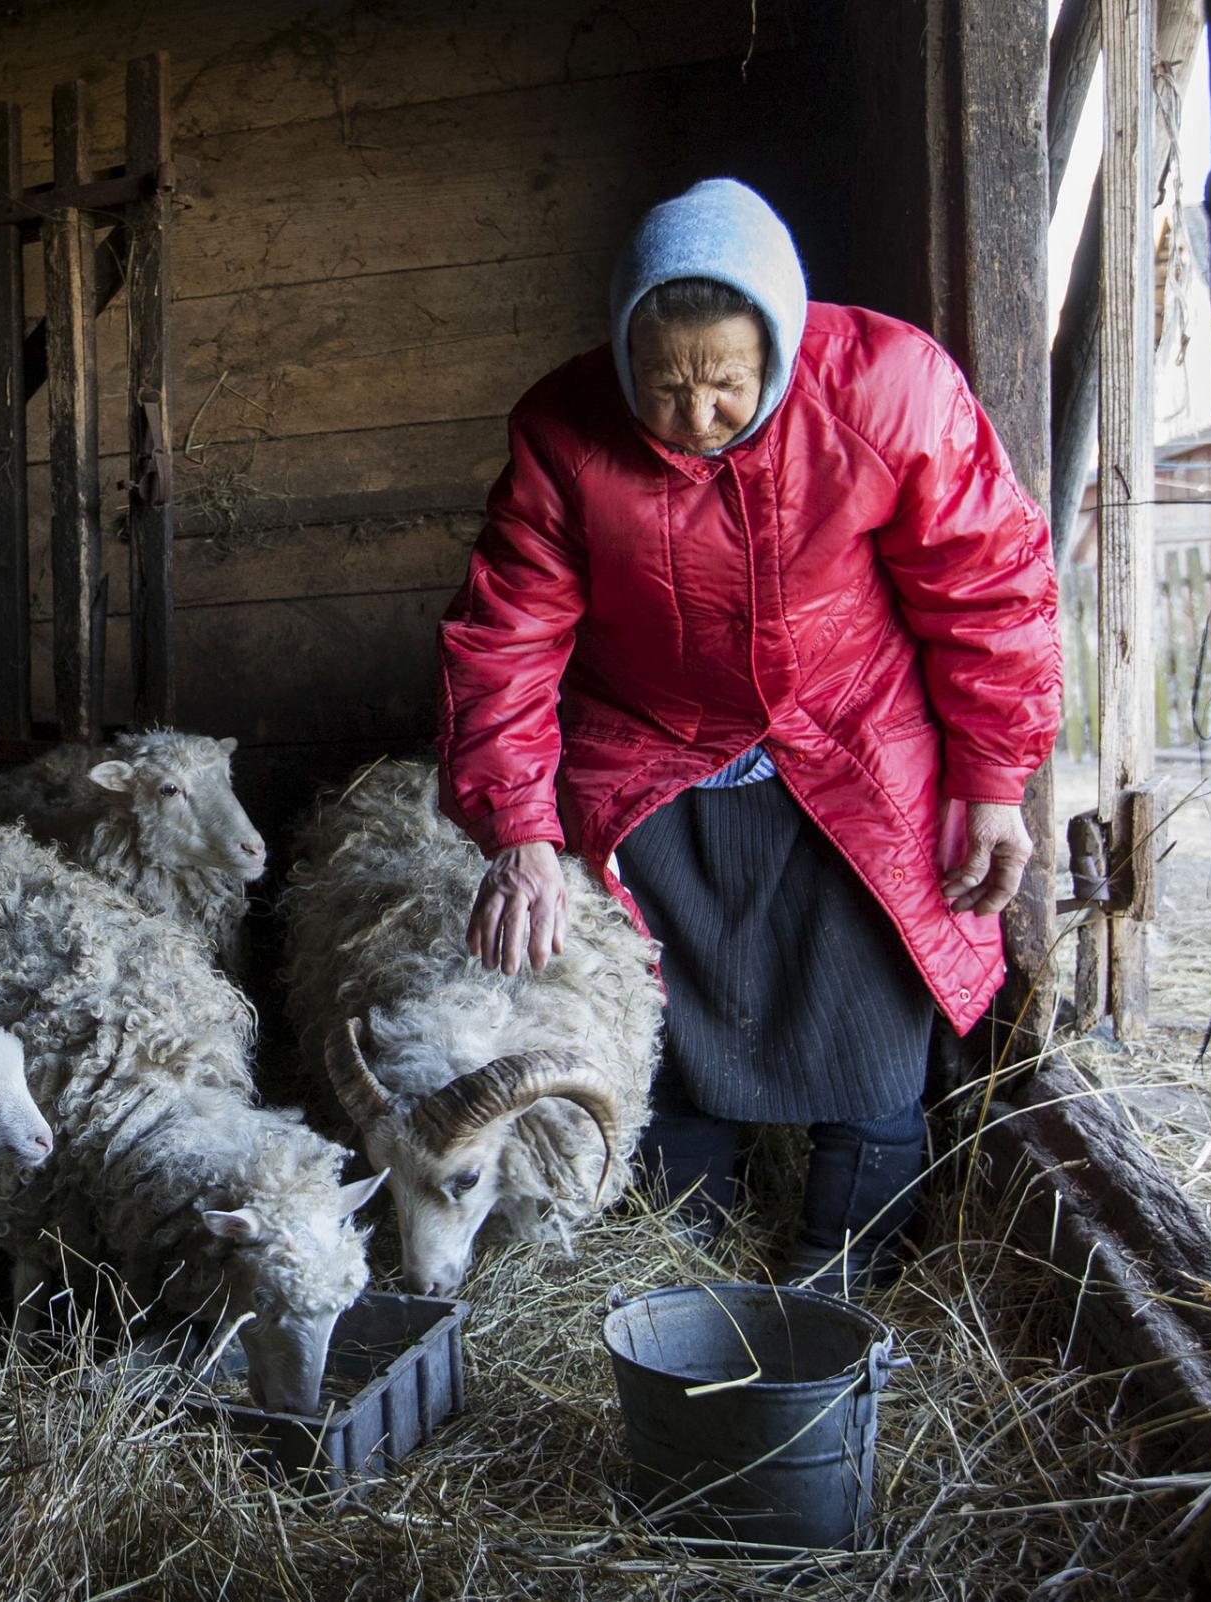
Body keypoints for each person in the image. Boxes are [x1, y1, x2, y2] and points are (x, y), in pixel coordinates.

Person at [435, 178, 1060, 1291]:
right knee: (666, 1018)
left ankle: (840, 1273)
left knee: (875, 1007)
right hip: (653, 745)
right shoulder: (564, 432)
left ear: (783, 333)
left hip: (852, 735)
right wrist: (518, 827)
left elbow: (989, 585)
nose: (697, 415)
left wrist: (996, 774)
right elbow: (506, 638)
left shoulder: (888, 387)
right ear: (623, 353)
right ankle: (688, 1261)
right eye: (664, 384)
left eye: (728, 381)